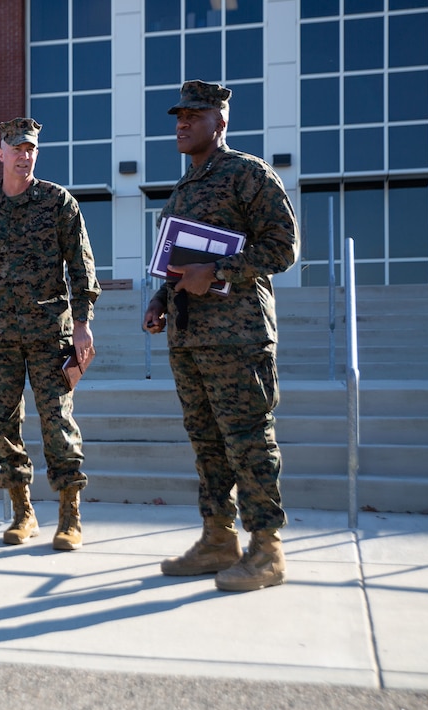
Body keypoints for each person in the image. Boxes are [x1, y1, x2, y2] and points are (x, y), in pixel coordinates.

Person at [142, 80, 300, 592]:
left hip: (238, 336)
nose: (182, 124)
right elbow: (177, 265)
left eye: (194, 115)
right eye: (179, 116)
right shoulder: (184, 188)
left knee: (249, 442)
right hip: (189, 338)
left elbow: (283, 247)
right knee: (208, 445)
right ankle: (217, 539)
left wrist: (220, 271)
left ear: (220, 122)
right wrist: (160, 300)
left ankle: (267, 550)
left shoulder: (247, 174)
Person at [0, 117, 100, 550]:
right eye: (16, 148)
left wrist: (84, 324)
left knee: (58, 424)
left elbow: (82, 266)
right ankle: (22, 511)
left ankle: (70, 516)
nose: (24, 155)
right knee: (3, 426)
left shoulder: (58, 203)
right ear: (1, 154)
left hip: (51, 334)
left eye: (30, 148)